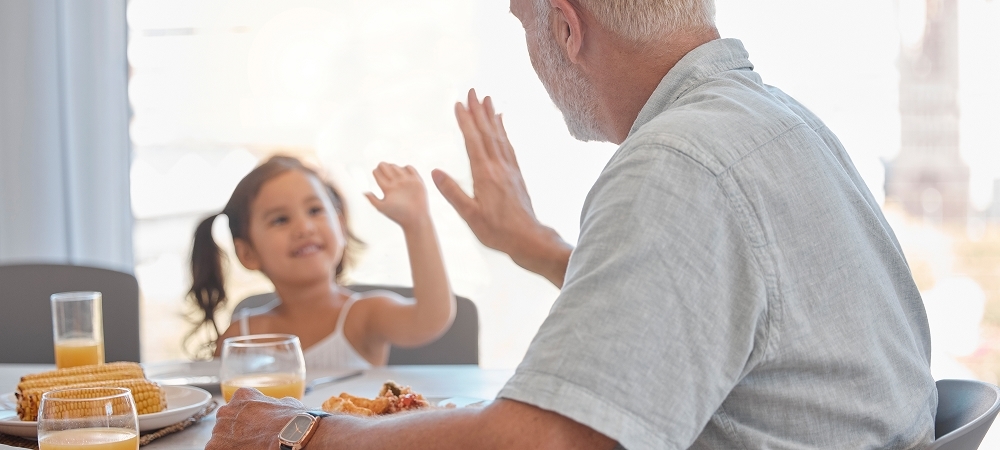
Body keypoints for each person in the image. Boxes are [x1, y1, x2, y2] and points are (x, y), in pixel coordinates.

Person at [207, 0, 937, 448]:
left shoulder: (678, 164)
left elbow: (546, 443)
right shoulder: (773, 121)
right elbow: (722, 311)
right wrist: (538, 247)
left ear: (564, 26)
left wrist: (301, 434)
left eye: (524, 22)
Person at [186, 155, 455, 371]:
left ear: (340, 224)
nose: (304, 227)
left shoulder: (364, 316)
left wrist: (416, 223)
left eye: (315, 210)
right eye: (280, 219)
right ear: (248, 254)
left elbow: (431, 318)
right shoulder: (241, 337)